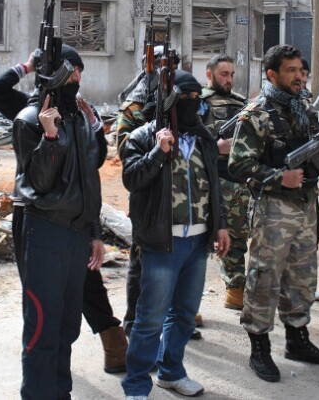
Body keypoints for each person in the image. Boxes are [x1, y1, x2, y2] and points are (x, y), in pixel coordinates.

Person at [229, 45, 319, 383]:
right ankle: (259, 347)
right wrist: (280, 177)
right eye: (291, 70)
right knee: (264, 278)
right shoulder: (256, 113)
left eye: (300, 70)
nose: (299, 76)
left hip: (306, 205)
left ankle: (297, 339)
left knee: (302, 276)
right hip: (273, 209)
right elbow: (237, 165)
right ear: (272, 75)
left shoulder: (305, 109)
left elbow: (315, 153)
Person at [121, 70, 229, 399]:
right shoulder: (142, 136)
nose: (194, 105)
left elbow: (214, 185)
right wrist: (158, 151)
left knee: (183, 315)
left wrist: (220, 224)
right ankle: (137, 383)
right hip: (160, 242)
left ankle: (171, 372)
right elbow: (132, 180)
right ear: (168, 102)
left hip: (197, 242)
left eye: (198, 99)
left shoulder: (204, 138)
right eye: (185, 99)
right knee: (150, 319)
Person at [11, 45, 107, 399]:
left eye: (80, 72)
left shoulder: (79, 118)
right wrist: (49, 137)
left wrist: (94, 232)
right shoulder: (29, 119)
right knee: (42, 325)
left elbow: (90, 179)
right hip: (44, 232)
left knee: (67, 323)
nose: (78, 79)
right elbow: (38, 183)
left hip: (77, 233)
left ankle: (60, 391)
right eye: (71, 72)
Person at [200, 54, 248, 310]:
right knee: (197, 241)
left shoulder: (243, 104)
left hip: (237, 181)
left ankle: (236, 288)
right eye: (223, 74)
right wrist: (216, 147)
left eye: (231, 74)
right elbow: (189, 139)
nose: (229, 80)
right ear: (209, 75)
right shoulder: (198, 103)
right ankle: (189, 302)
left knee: (236, 238)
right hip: (206, 181)